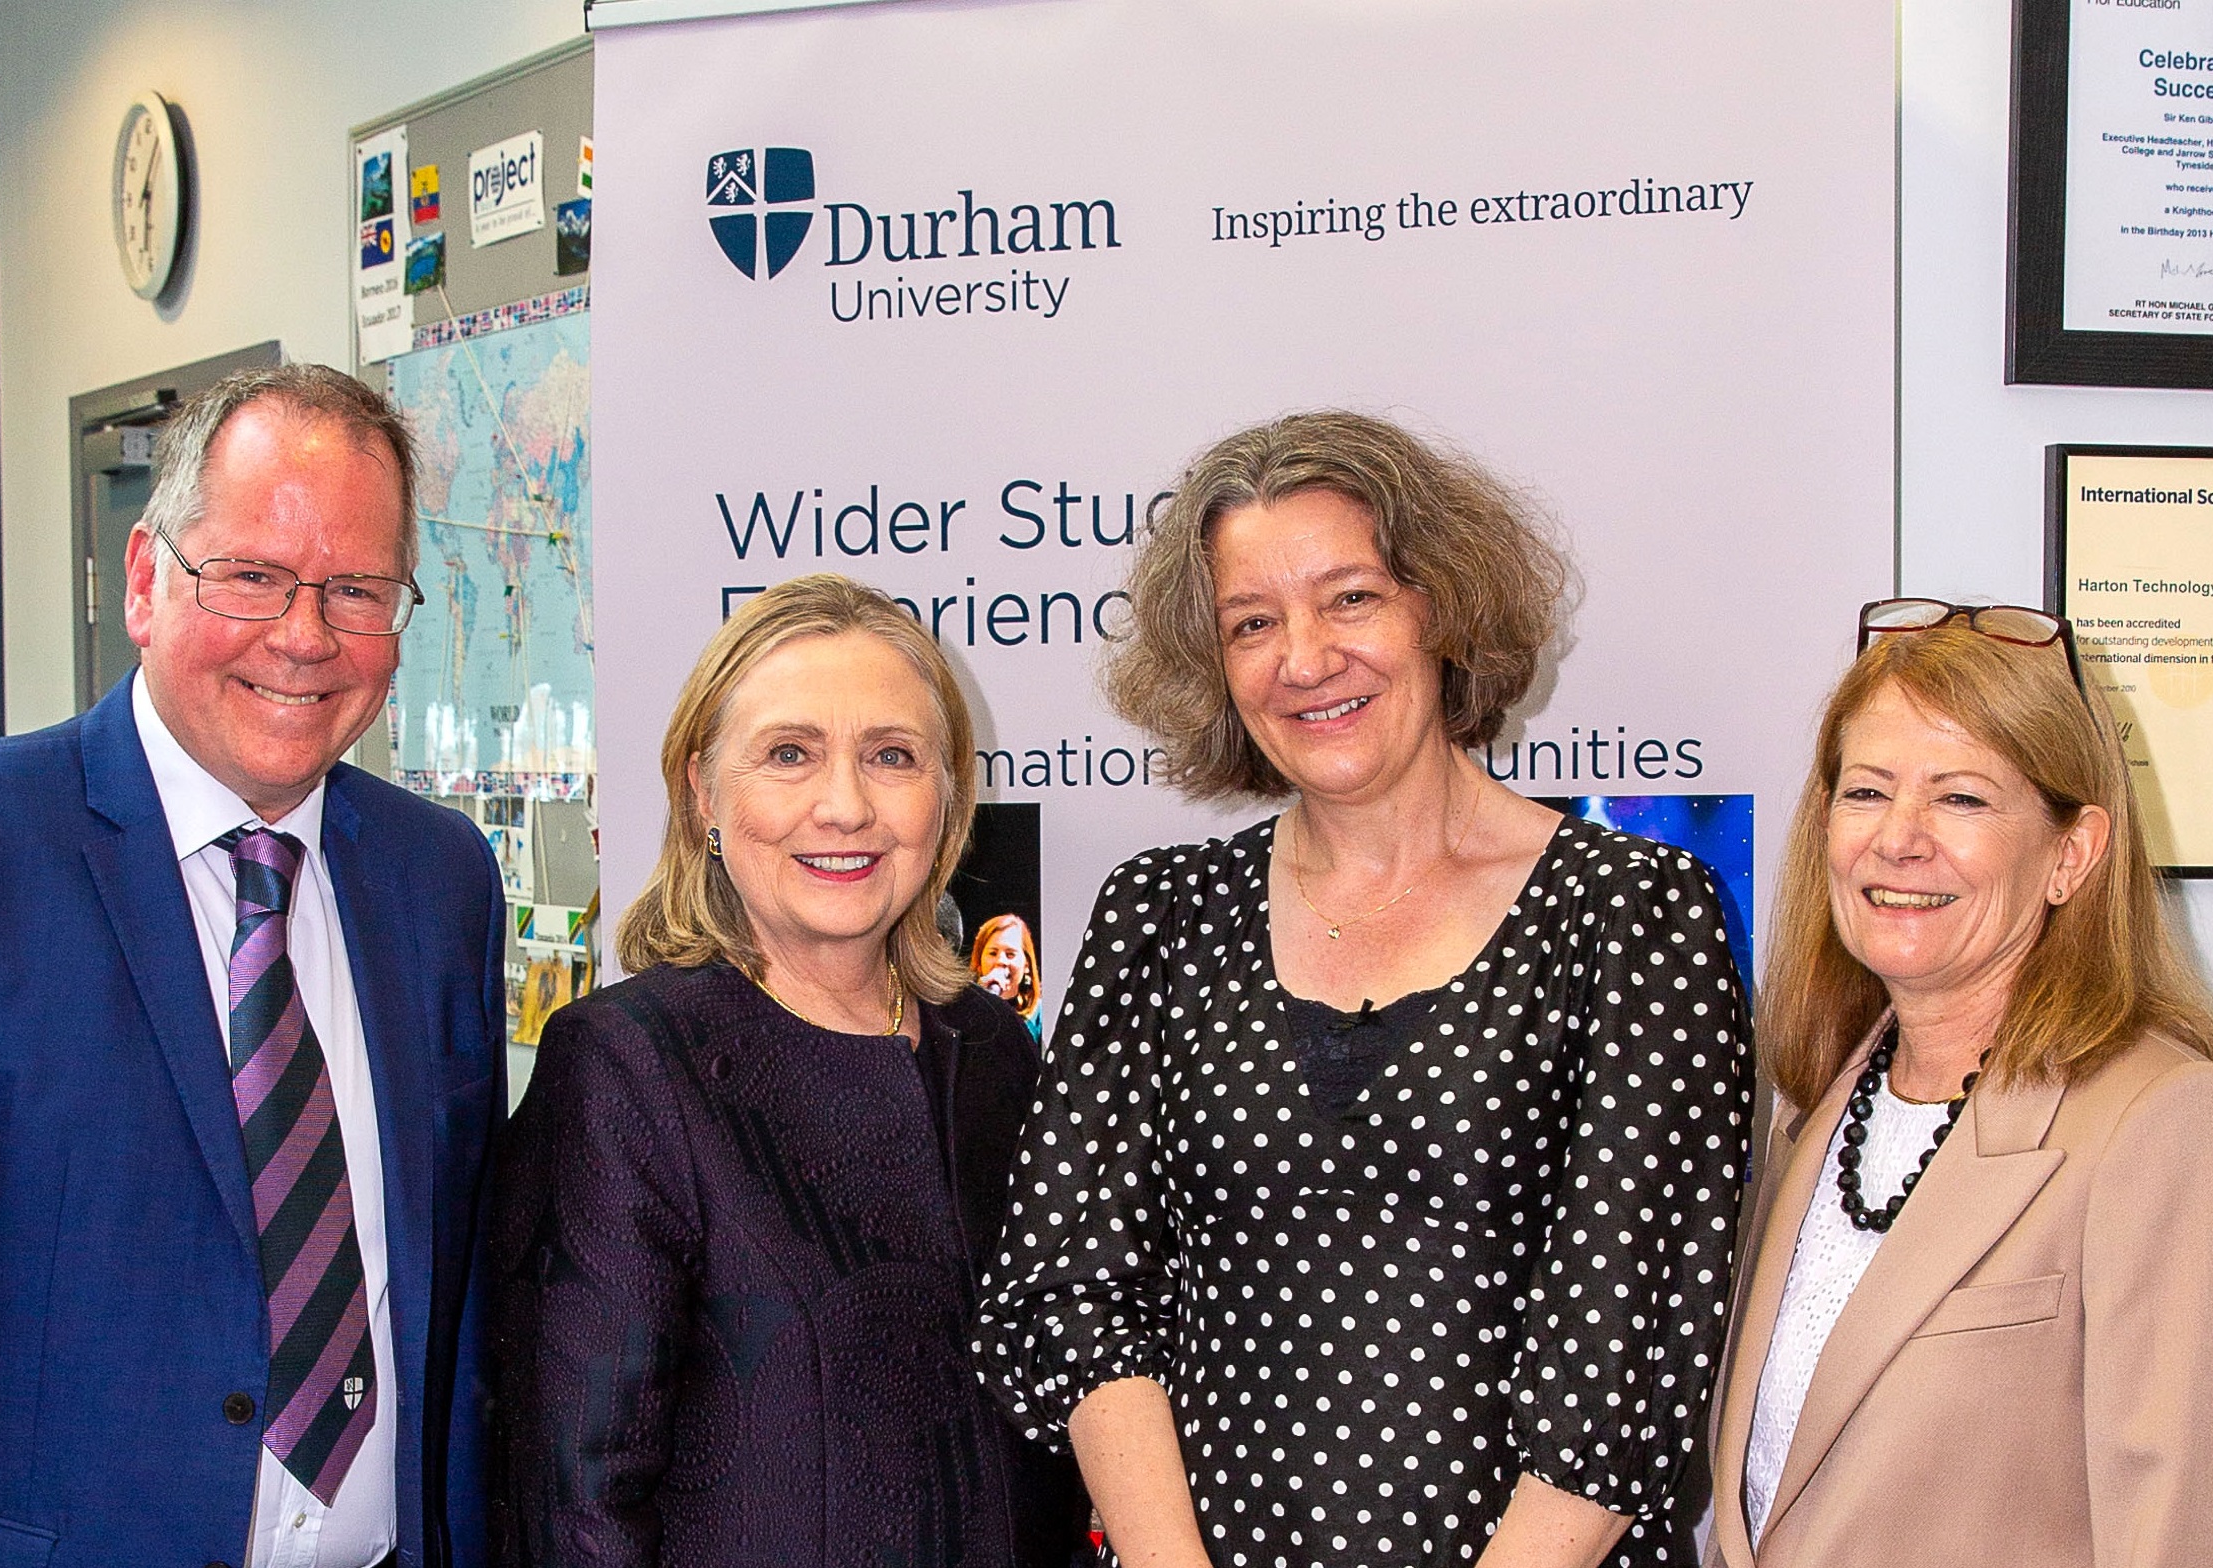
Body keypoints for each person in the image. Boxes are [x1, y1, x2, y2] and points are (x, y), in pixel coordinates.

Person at [977, 412, 1755, 1568]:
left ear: (1439, 606)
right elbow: (1070, 1288)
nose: (1303, 658)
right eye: (1253, 621)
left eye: (1351, 598)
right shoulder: (1159, 916)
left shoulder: (1632, 915)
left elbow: (1625, 1357)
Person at [0, 365, 509, 1568]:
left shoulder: (437, 877)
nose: (305, 636)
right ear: (147, 580)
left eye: (356, 589)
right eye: (251, 574)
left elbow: (451, 1301)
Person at [488, 574, 1087, 1567]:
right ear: (702, 792)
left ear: (949, 793)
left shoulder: (992, 1052)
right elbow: (576, 1498)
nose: (845, 803)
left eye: (892, 755)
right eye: (790, 753)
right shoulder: (628, 1065)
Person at [1703, 601, 2213, 1568]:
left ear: (2070, 854)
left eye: (1962, 799)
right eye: (1865, 792)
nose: (1898, 839)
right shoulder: (1811, 1112)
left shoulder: (2171, 1126)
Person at [970, 911, 1042, 1040]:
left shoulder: (1040, 1015)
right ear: (979, 963)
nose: (1001, 961)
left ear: (1026, 964)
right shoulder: (965, 1009)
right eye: (993, 953)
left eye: (1010, 954)